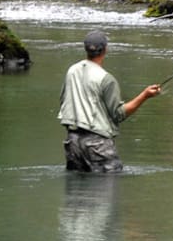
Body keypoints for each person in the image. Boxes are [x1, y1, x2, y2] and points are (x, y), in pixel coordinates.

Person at [57, 30, 161, 172]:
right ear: (105, 49)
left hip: (72, 142)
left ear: (86, 49)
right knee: (107, 189)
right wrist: (145, 95)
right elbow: (119, 114)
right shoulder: (106, 79)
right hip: (98, 145)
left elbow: (63, 101)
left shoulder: (72, 70)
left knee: (77, 191)